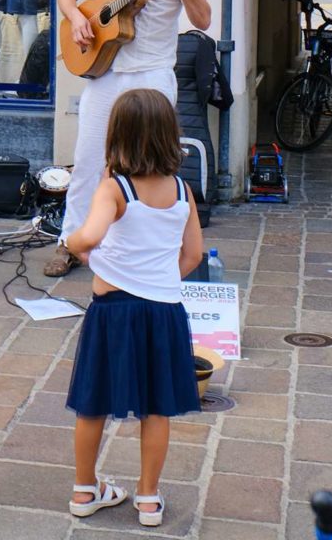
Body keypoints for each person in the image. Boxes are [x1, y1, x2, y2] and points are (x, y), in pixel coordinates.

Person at [45, 0, 211, 277]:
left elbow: (203, 19)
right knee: (87, 162)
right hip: (105, 74)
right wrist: (78, 21)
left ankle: (158, 246)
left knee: (153, 164)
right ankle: (71, 242)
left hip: (151, 75)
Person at [62, 89, 203, 528]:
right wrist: (156, 279)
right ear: (168, 136)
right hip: (163, 310)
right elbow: (193, 254)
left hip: (113, 310)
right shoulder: (182, 189)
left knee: (92, 402)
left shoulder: (114, 187)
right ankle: (147, 498)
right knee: (157, 407)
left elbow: (88, 236)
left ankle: (86, 490)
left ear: (117, 135)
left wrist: (74, 244)